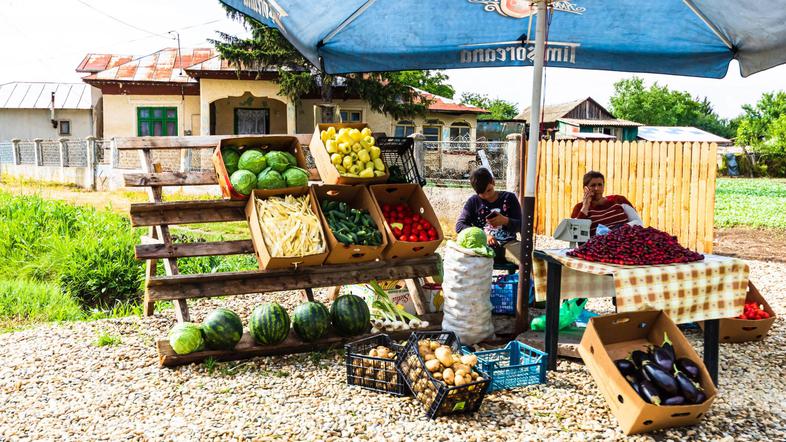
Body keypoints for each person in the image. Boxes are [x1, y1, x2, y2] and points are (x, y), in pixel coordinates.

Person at [455, 167, 522, 264]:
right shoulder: (473, 202)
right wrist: (483, 235)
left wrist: (505, 221)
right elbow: (459, 226)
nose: (487, 196)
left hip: (509, 244)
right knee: (458, 261)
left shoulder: (509, 198)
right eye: (482, 193)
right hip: (481, 246)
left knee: (529, 258)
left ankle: (528, 280)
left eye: (489, 190)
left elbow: (522, 226)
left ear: (493, 182)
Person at [570, 170, 642, 236]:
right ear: (585, 188)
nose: (597, 188)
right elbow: (574, 233)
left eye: (600, 184)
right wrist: (585, 206)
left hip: (626, 238)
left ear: (604, 186)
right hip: (599, 246)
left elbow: (637, 222)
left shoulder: (619, 200)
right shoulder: (579, 208)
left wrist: (618, 230)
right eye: (593, 185)